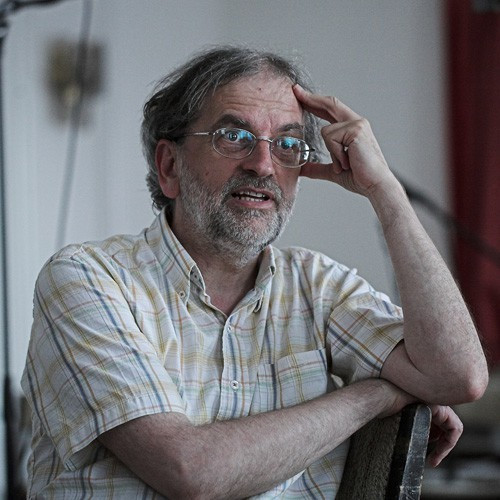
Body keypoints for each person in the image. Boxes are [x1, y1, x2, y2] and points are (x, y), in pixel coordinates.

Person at [22, 46, 488, 499]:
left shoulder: (319, 287)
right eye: (233, 137)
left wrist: (384, 190)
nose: (263, 165)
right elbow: (189, 472)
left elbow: (459, 377)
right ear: (170, 166)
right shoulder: (87, 280)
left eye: (287, 144)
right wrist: (373, 398)